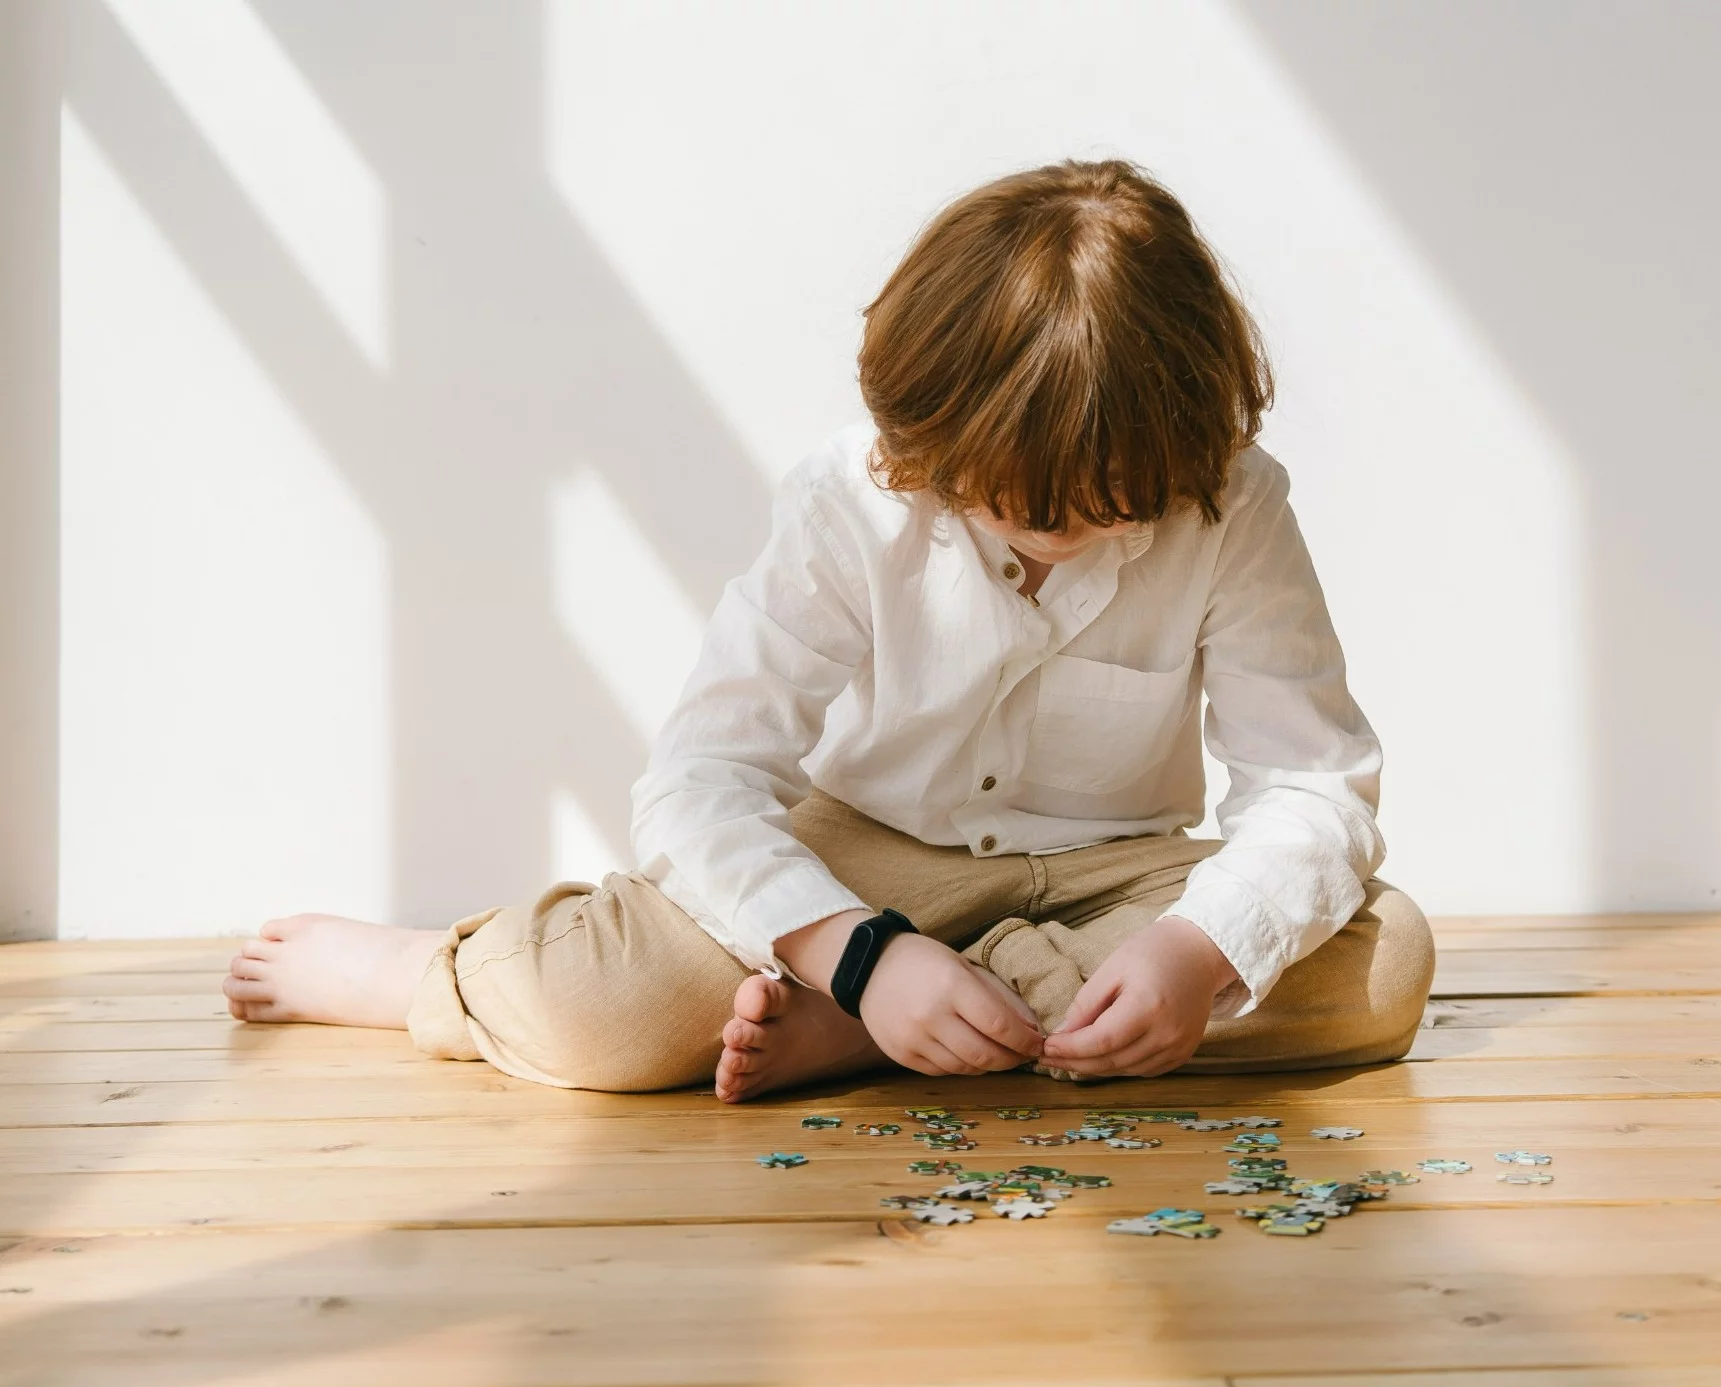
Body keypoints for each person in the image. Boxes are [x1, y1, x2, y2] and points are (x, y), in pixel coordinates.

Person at [222, 158, 1434, 1102]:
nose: (1064, 531)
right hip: (869, 855)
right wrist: (858, 950)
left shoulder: (1230, 495)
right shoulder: (848, 500)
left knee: (1382, 968)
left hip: (1113, 870)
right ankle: (419, 973)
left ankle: (884, 1032)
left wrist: (1191, 952)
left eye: (1114, 507)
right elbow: (700, 785)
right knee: (606, 1008)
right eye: (1019, 502)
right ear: (933, 435)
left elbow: (1316, 789)